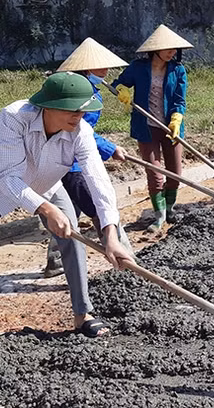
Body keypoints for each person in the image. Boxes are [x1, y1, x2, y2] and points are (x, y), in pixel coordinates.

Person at [0, 72, 134, 347]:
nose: (79, 116)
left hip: (47, 185)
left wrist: (110, 234)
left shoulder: (80, 132)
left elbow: (98, 181)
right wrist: (45, 210)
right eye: (73, 110)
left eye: (83, 110)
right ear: (49, 106)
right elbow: (8, 176)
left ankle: (82, 313)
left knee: (71, 236)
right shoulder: (14, 116)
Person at [44, 38, 134, 278]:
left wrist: (108, 146)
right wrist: (110, 148)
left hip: (67, 160)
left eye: (106, 68)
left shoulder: (90, 91)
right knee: (99, 209)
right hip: (71, 164)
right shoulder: (75, 94)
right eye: (100, 68)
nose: (105, 73)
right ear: (85, 69)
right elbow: (79, 131)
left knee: (69, 212)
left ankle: (55, 261)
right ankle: (126, 261)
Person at [111, 25, 191, 232]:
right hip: (146, 127)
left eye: (174, 49)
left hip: (170, 128)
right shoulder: (138, 68)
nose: (172, 52)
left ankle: (170, 208)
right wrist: (121, 90)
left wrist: (176, 118)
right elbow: (119, 83)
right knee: (155, 172)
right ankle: (159, 216)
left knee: (175, 173)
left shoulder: (178, 70)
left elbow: (180, 99)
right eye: (167, 48)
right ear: (155, 49)